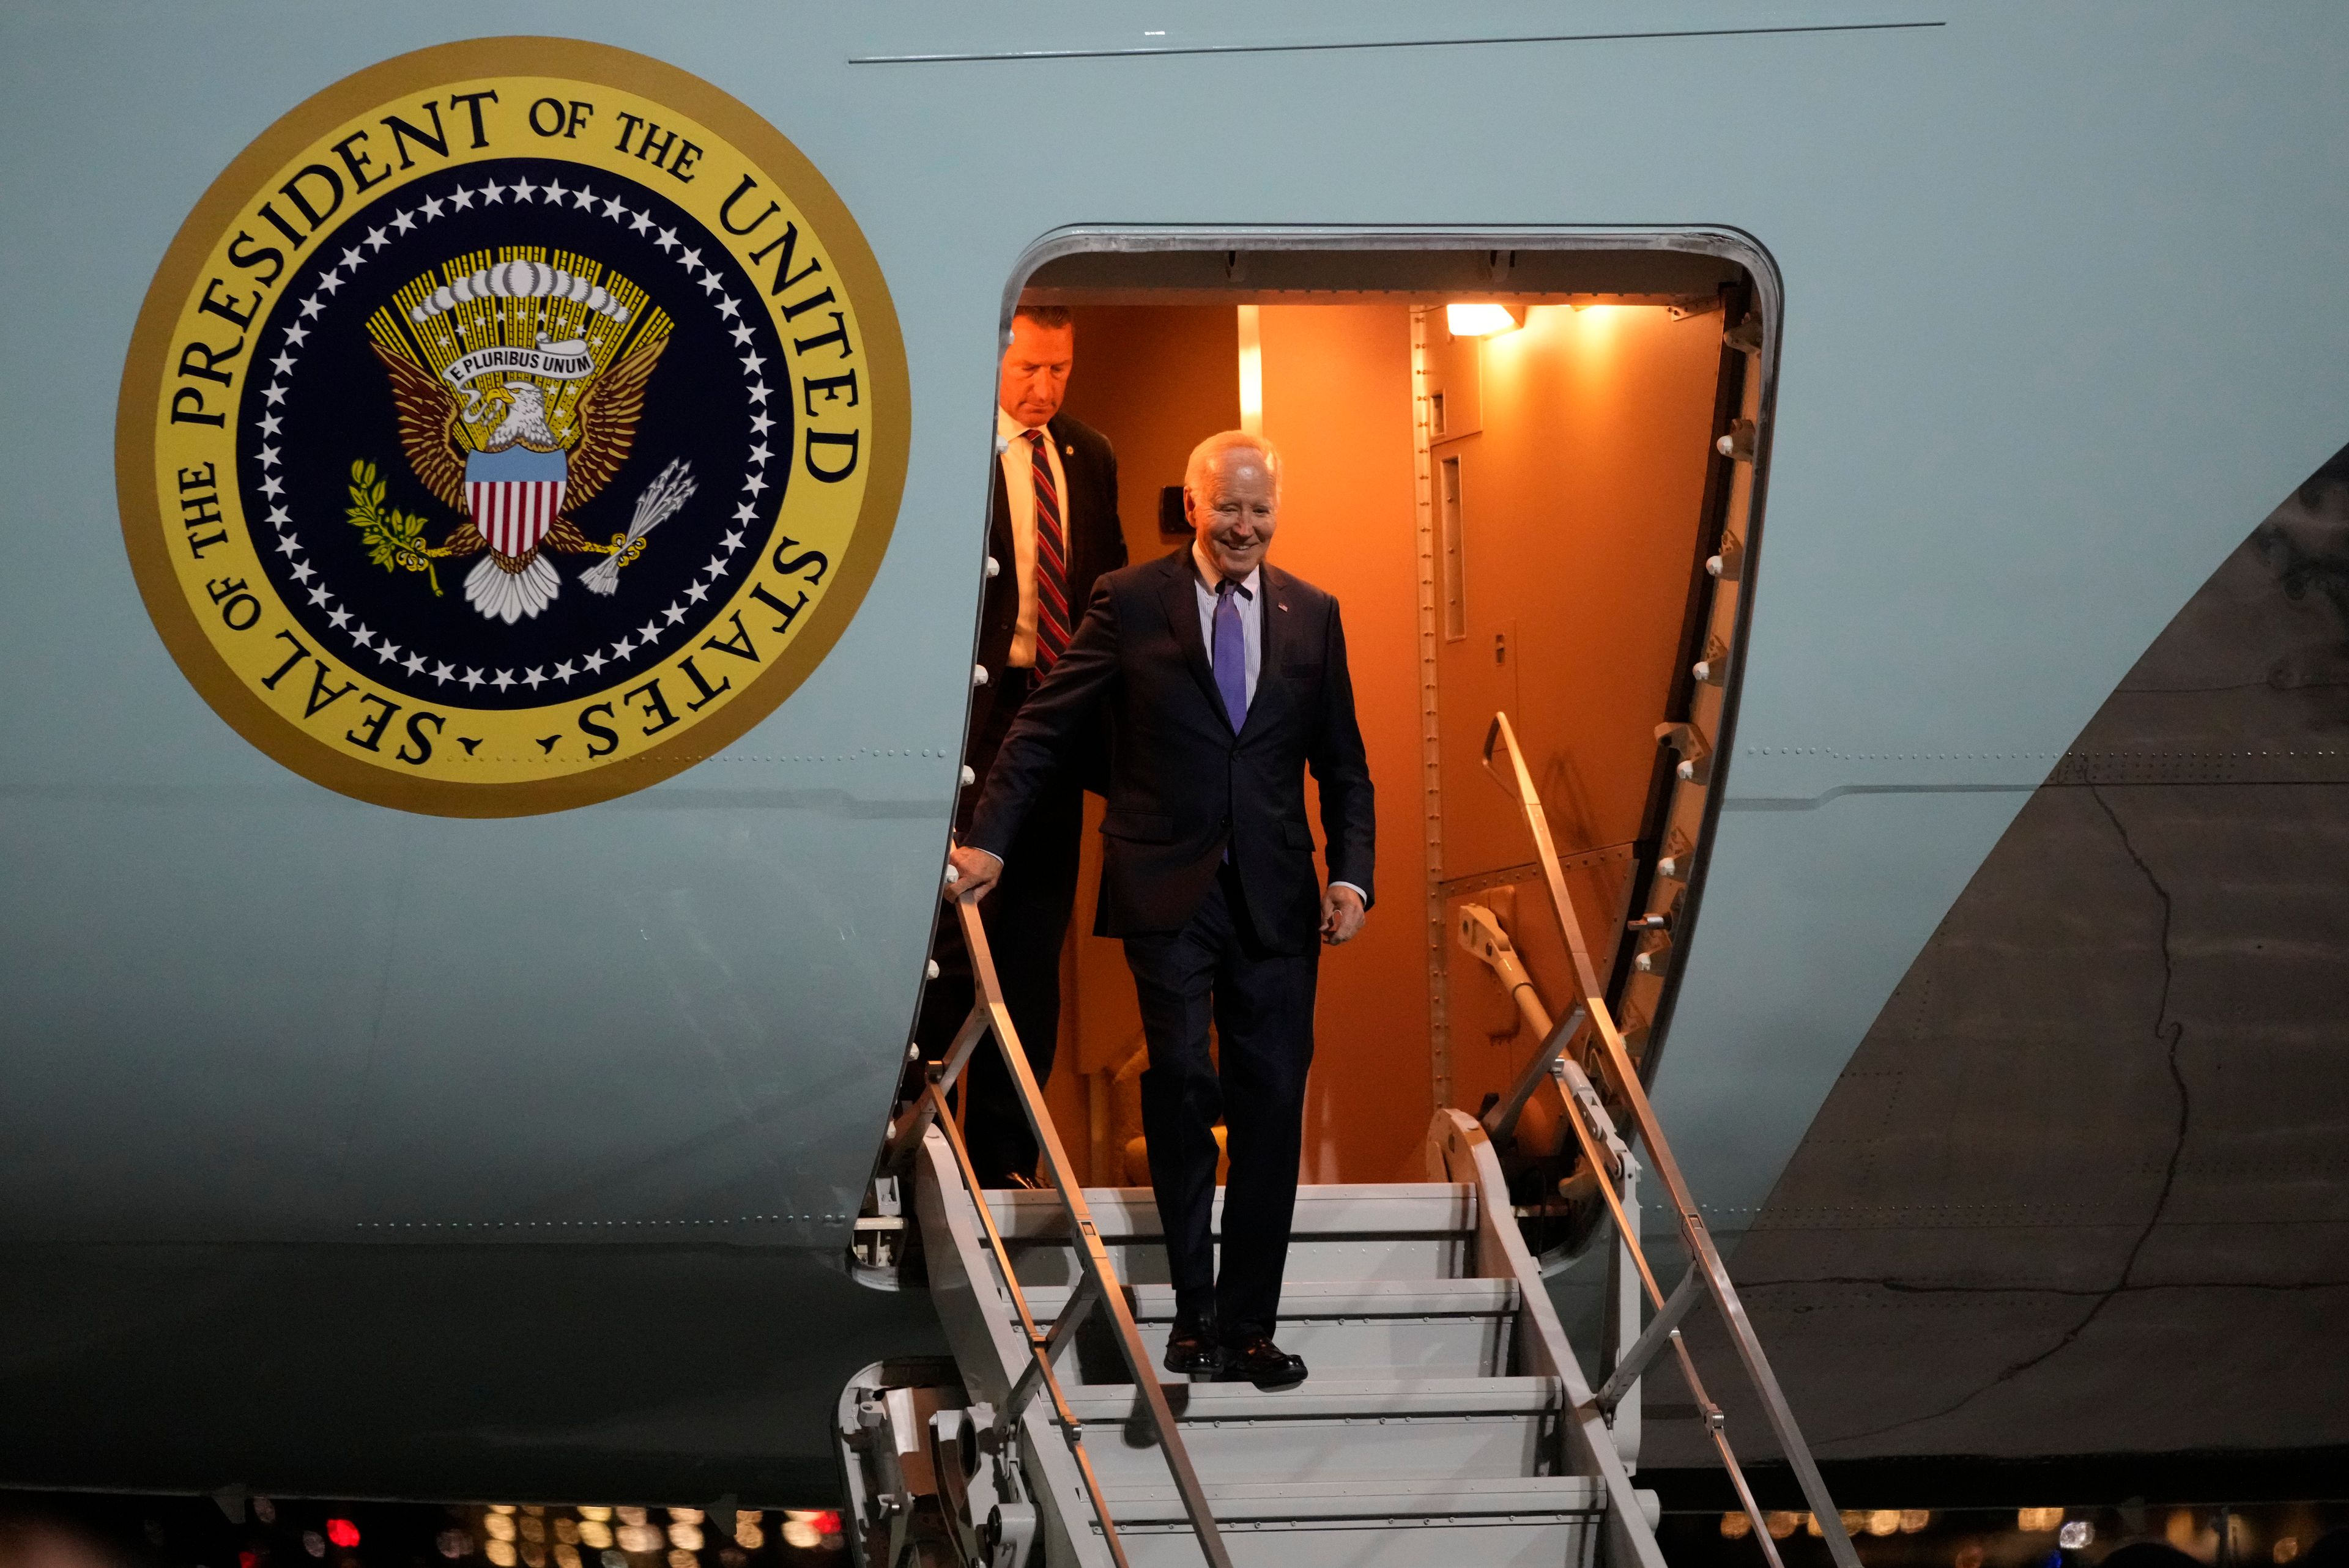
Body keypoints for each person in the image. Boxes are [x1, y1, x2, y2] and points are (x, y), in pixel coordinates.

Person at [948, 430, 1374, 1390]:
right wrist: (992, 840)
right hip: (1166, 891)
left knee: (1270, 1108)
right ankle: (1192, 1318)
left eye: (1261, 511)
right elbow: (1045, 724)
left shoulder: (1314, 614)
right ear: (1193, 505)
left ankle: (1250, 1327)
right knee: (1182, 1082)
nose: (1245, 527)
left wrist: (1354, 875)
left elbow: (1344, 763)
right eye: (1229, 508)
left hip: (1277, 899)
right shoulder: (1130, 601)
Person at [913, 306, 1125, 1189]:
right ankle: (922, 1144)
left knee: (1035, 948)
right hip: (972, 715)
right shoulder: (950, 450)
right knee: (955, 941)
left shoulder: (1090, 455)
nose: (1043, 390)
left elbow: (1108, 589)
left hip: (1058, 712)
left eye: (1060, 371)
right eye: (1028, 369)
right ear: (994, 358)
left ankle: (1005, 1161)